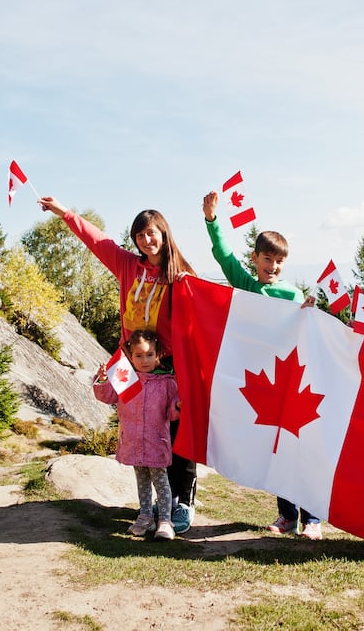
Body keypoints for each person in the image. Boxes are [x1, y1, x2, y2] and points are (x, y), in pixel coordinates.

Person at [38, 197, 199, 532]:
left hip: (168, 366)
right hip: (128, 362)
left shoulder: (180, 273)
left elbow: (204, 310)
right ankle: (151, 505)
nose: (146, 240)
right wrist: (64, 213)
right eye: (140, 235)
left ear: (164, 234)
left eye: (151, 233)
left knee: (174, 432)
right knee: (137, 429)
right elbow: (97, 240)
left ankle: (181, 503)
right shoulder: (128, 265)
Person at [201, 191, 323, 540]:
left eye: (279, 261)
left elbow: (309, 334)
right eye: (267, 259)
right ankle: (287, 516)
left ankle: (312, 518)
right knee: (277, 451)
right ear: (255, 259)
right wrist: (212, 220)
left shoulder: (292, 296)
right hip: (264, 382)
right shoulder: (247, 285)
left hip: (293, 380)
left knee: (299, 449)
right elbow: (223, 256)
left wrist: (310, 313)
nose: (273, 266)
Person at [93, 330, 181, 540]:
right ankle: (145, 517)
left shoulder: (167, 382)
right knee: (142, 480)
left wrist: (178, 405)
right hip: (133, 441)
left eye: (149, 354)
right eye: (139, 356)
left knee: (161, 481)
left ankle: (165, 521)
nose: (144, 360)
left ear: (157, 355)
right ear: (130, 357)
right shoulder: (125, 378)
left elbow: (171, 413)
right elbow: (107, 396)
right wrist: (103, 379)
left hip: (156, 442)